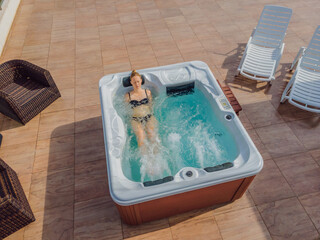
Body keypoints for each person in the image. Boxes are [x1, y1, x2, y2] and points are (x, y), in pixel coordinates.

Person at [125, 70, 159, 154]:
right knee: (141, 138)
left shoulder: (148, 92)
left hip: (148, 116)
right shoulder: (128, 96)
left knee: (152, 137)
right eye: (134, 82)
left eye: (138, 81)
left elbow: (152, 106)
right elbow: (126, 110)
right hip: (136, 119)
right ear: (131, 83)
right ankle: (146, 161)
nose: (136, 84)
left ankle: (157, 158)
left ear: (141, 81)